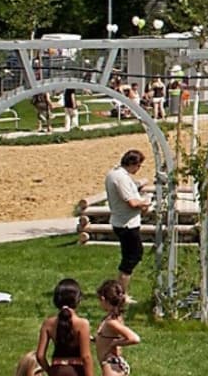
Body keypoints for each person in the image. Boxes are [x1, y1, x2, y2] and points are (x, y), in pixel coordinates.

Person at [15, 277, 98, 376]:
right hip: (76, 370)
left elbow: (40, 355)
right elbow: (86, 357)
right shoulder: (82, 324)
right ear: (77, 300)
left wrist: (50, 370)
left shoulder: (48, 323)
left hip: (57, 369)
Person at [105, 151, 149, 295]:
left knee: (131, 256)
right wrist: (145, 203)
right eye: (139, 165)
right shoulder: (121, 178)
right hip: (127, 223)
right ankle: (120, 293)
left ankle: (119, 291)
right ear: (132, 164)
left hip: (122, 221)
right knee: (132, 258)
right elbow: (131, 202)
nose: (138, 168)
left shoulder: (115, 173)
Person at [94, 280, 139, 375]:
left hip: (111, 366)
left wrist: (115, 343)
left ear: (103, 299)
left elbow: (134, 338)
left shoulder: (112, 322)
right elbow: (109, 336)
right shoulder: (112, 318)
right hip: (110, 364)